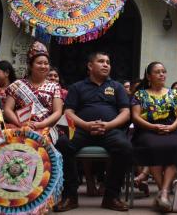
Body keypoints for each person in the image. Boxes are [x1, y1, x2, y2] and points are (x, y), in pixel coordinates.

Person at [54, 51, 132, 212]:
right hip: (82, 129)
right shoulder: (77, 87)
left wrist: (108, 125)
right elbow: (68, 113)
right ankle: (70, 196)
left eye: (108, 62)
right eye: (101, 61)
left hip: (110, 130)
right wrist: (86, 125)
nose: (106, 65)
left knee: (125, 147)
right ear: (90, 66)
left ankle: (111, 197)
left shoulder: (116, 87)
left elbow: (125, 112)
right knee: (63, 144)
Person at [131, 62, 177, 212]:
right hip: (147, 130)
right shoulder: (139, 94)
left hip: (170, 128)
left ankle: (163, 193)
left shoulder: (174, 93)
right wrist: (152, 127)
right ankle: (164, 192)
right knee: (153, 147)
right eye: (157, 72)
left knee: (174, 146)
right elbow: (135, 117)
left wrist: (173, 127)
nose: (161, 74)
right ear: (149, 76)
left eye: (163, 71)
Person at [3, 42, 63, 139]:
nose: (43, 66)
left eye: (46, 63)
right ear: (30, 66)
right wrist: (21, 124)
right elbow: (7, 110)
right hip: (19, 126)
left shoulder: (55, 86)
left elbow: (57, 112)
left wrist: (40, 124)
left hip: (46, 128)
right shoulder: (17, 85)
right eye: (39, 63)